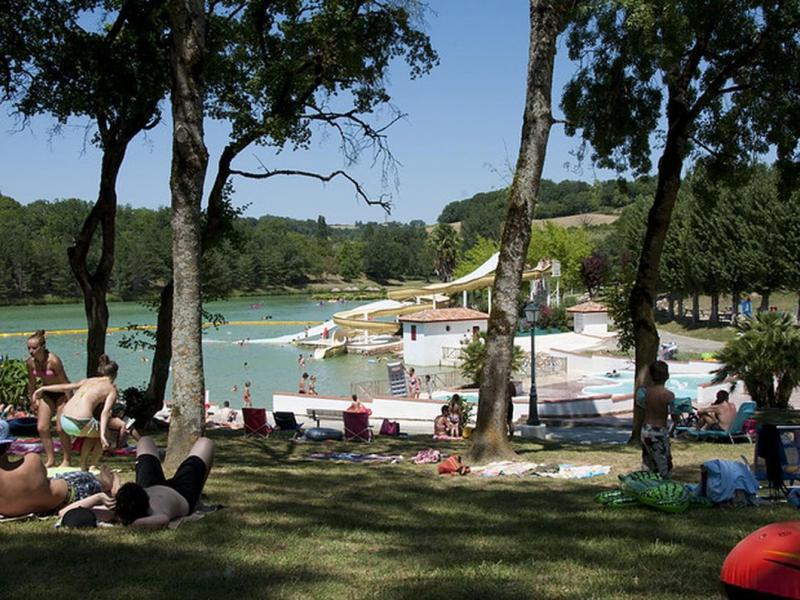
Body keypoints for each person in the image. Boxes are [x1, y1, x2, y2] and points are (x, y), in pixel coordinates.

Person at [60, 435, 214, 529]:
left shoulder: (117, 511)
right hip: (183, 493)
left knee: (145, 441)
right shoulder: (159, 516)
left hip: (151, 485)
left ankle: (161, 455)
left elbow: (64, 512)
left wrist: (99, 498)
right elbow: (163, 520)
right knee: (206, 443)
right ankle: (197, 494)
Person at [0, 419, 120, 518]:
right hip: (71, 495)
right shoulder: (31, 461)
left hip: (38, 509)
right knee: (94, 479)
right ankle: (112, 482)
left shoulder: (29, 464)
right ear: (9, 445)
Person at [34, 355, 119, 471]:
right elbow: (105, 413)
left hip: (64, 421)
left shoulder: (88, 381)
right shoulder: (111, 389)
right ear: (115, 375)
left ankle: (83, 465)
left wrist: (43, 388)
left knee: (93, 434)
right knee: (101, 434)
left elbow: (65, 387)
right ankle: (93, 465)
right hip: (80, 422)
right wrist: (104, 435)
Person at [25, 330, 72, 468]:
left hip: (62, 394)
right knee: (42, 427)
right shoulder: (30, 363)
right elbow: (32, 384)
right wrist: (32, 401)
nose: (31, 351)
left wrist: (70, 402)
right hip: (46, 393)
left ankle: (67, 459)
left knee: (60, 428)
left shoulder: (54, 361)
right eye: (29, 348)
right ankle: (50, 459)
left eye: (34, 348)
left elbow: (65, 383)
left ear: (43, 346)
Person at [641, 360, 675, 478]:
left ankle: (645, 483)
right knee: (663, 462)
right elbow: (675, 415)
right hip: (658, 430)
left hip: (645, 429)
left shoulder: (646, 392)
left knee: (648, 460)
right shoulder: (668, 395)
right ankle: (663, 485)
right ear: (667, 376)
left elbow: (642, 405)